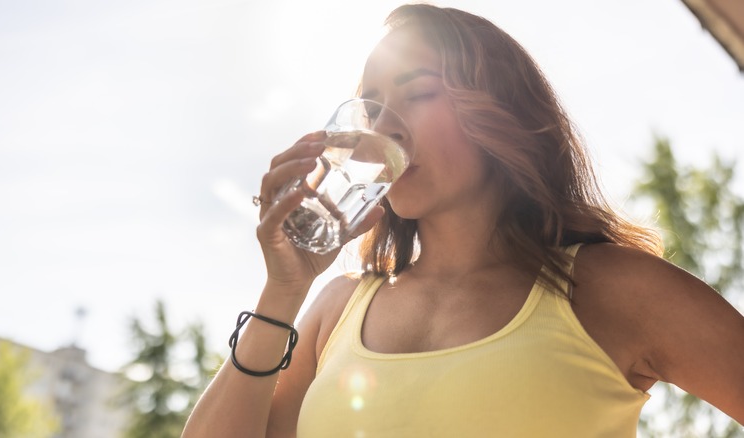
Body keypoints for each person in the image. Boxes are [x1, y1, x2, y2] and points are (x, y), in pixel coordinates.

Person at [183, 4, 744, 437]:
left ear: (503, 113)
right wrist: (284, 290)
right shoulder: (336, 309)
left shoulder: (614, 290)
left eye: (420, 92)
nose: (387, 129)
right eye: (372, 107)